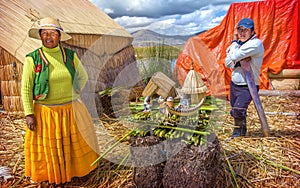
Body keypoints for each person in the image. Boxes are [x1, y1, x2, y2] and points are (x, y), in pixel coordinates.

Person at [21, 17, 99, 186]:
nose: (49, 37)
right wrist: (29, 113)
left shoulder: (69, 56)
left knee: (75, 143)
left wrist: (74, 92)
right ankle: (54, 175)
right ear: (40, 36)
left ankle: (80, 171)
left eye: (53, 33)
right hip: (46, 112)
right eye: (45, 33)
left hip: (72, 108)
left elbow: (83, 76)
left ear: (59, 36)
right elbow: (26, 88)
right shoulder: (32, 59)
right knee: (51, 147)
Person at [225, 18, 264, 137]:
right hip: (235, 83)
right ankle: (242, 131)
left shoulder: (255, 44)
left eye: (245, 30)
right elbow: (227, 62)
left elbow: (234, 55)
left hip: (248, 85)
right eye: (240, 30)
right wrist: (238, 57)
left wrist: (234, 44)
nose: (242, 33)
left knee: (237, 110)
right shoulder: (241, 44)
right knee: (237, 108)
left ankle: (237, 133)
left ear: (252, 32)